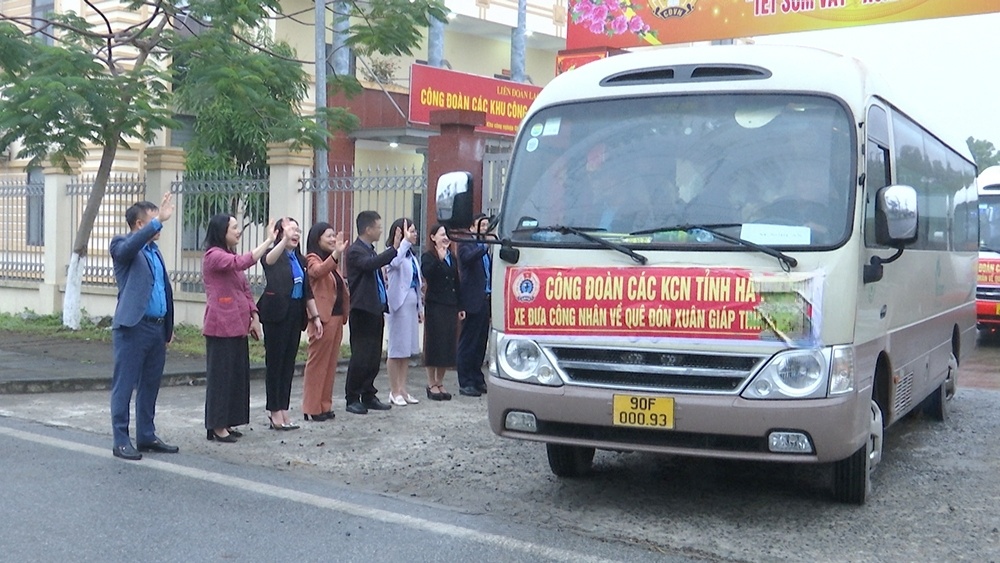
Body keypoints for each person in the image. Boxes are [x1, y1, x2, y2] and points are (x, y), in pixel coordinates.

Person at [109, 193, 180, 461]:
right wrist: (158, 221)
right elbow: (128, 249)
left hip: (156, 328)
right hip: (133, 327)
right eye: (152, 222)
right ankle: (120, 439)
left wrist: (168, 326)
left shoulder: (155, 252)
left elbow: (164, 290)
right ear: (140, 225)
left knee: (150, 384)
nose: (159, 227)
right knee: (124, 385)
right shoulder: (122, 245)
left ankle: (147, 435)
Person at [202, 214, 276, 443]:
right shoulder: (213, 256)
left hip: (237, 324)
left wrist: (254, 315)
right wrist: (268, 241)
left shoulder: (229, 255)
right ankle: (216, 425)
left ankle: (228, 421)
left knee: (236, 376)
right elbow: (242, 262)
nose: (238, 231)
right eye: (234, 227)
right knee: (221, 378)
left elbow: (244, 289)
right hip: (220, 325)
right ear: (221, 231)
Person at [258, 218, 323, 430]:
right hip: (276, 314)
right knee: (275, 364)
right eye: (290, 230)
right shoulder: (274, 255)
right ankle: (273, 410)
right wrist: (279, 240)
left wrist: (315, 317)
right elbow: (267, 260)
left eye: (298, 230)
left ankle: (283, 408)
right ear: (279, 232)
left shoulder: (300, 259)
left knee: (288, 363)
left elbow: (307, 292)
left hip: (295, 313)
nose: (295, 234)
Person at [344, 210, 402, 414]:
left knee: (373, 356)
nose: (380, 231)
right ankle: (352, 397)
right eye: (378, 227)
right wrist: (393, 249)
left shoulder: (369, 249)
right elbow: (370, 266)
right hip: (362, 310)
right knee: (361, 355)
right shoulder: (355, 251)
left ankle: (368, 393)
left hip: (375, 308)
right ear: (367, 229)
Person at [301, 222, 350, 421]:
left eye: (333, 236)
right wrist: (336, 254)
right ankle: (311, 408)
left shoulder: (332, 261)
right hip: (322, 318)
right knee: (317, 365)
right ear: (317, 238)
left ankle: (324, 405)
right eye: (328, 236)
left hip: (337, 318)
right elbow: (317, 272)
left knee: (330, 365)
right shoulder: (312, 258)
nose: (332, 239)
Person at [420, 223, 463, 401]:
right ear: (433, 237)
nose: (445, 238)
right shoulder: (428, 256)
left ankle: (440, 381)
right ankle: (431, 384)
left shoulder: (452, 257)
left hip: (450, 305)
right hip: (435, 305)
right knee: (434, 344)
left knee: (447, 345)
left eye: (447, 234)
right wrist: (439, 257)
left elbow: (456, 282)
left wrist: (460, 306)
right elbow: (427, 273)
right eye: (442, 234)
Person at [384, 217, 424, 406]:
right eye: (411, 231)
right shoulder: (393, 253)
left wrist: (419, 307)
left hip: (411, 303)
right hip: (398, 306)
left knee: (406, 350)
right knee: (396, 349)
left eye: (415, 232)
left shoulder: (412, 256)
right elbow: (393, 263)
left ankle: (402, 388)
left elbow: (417, 284)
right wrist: (404, 242)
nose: (414, 235)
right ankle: (393, 390)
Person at [456, 213, 493, 397]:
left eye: (487, 225)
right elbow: (467, 259)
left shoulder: (484, 247)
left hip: (485, 299)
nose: (485, 228)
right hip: (472, 300)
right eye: (482, 224)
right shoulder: (465, 243)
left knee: (480, 343)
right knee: (468, 342)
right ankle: (465, 381)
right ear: (472, 227)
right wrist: (485, 246)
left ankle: (477, 378)